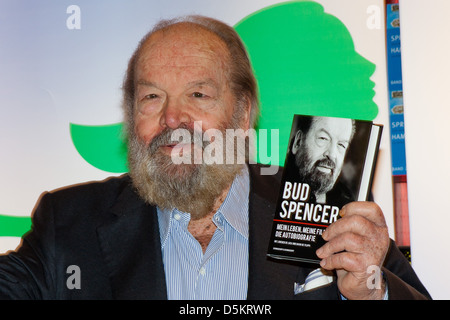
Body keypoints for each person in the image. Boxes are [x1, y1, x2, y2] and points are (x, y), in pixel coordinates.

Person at [0, 15, 430, 300]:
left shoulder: (326, 208)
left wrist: (374, 293)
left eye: (198, 95)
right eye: (151, 97)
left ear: (243, 113)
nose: (172, 117)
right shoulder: (69, 222)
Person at [290, 116, 355, 206]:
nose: (332, 154)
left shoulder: (348, 205)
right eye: (323, 138)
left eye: (341, 145)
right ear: (298, 142)